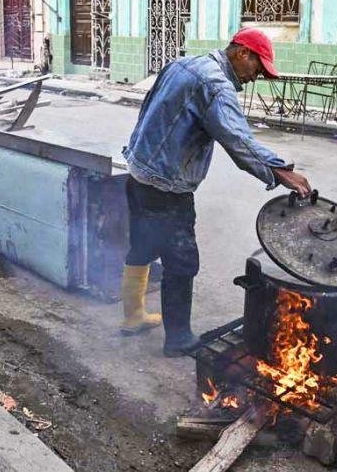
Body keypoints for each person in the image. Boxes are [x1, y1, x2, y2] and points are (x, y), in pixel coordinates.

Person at [119, 28, 312, 357]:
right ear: (241, 54)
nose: (257, 77)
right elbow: (239, 142)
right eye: (258, 68)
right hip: (167, 188)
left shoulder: (184, 63)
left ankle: (133, 317)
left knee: (142, 246)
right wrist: (281, 172)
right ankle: (178, 339)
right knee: (181, 263)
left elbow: (147, 108)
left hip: (138, 174)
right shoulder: (215, 85)